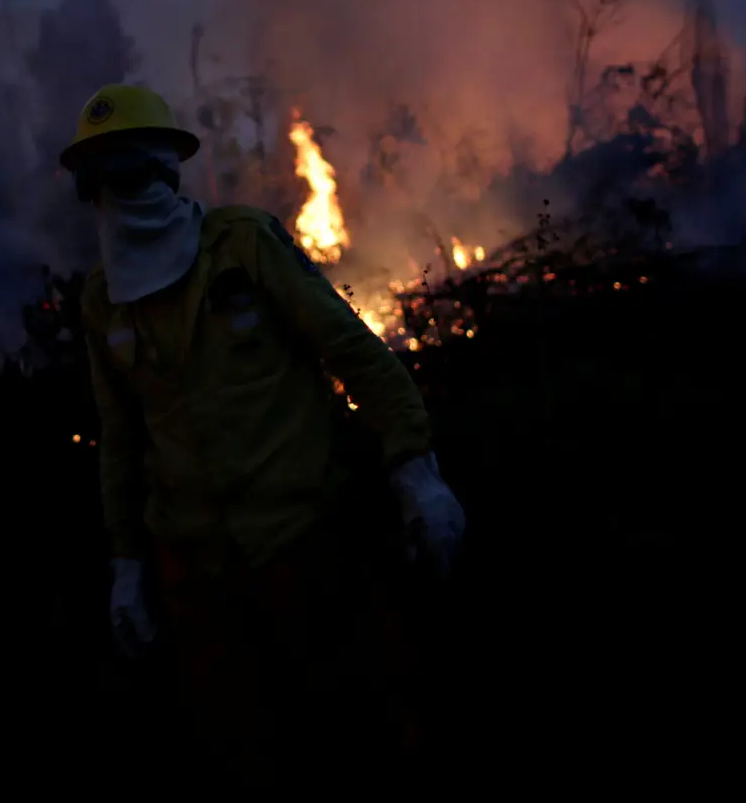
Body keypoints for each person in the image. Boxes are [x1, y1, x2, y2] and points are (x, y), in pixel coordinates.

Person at [64, 82, 466, 786]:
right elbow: (120, 440)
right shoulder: (102, 302)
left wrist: (416, 472)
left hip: (309, 544)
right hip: (198, 576)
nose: (120, 190)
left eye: (133, 167)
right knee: (246, 760)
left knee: (366, 734)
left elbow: (353, 352)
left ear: (168, 170)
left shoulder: (243, 247)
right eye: (102, 174)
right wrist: (127, 565)